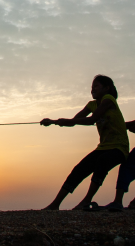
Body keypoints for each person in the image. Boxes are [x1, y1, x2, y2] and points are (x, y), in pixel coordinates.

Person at [40, 75, 129, 210]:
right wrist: (53, 121)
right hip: (103, 147)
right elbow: (75, 120)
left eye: (96, 86)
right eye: (91, 87)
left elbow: (92, 119)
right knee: (79, 169)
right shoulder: (91, 104)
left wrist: (67, 121)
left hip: (119, 148)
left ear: (106, 88)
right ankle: (55, 204)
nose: (92, 90)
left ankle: (86, 200)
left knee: (102, 162)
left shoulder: (108, 99)